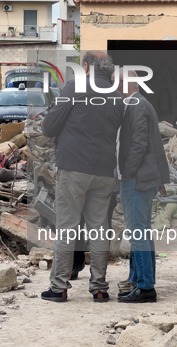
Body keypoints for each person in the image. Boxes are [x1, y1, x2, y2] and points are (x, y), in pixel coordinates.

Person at [41, 51, 124, 302]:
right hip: (104, 171)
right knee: (100, 229)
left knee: (67, 227)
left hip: (74, 168)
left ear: (86, 66)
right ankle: (99, 288)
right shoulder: (117, 96)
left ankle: (59, 287)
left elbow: (49, 127)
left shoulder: (75, 86)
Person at [117, 77, 170, 303]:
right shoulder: (141, 104)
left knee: (137, 233)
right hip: (144, 177)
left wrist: (127, 172)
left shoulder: (136, 106)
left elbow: (139, 143)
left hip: (137, 179)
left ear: (123, 86)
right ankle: (139, 281)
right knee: (142, 232)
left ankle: (146, 287)